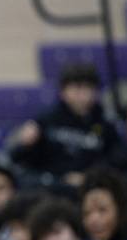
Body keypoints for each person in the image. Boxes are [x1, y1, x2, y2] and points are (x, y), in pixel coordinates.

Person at [6, 63, 120, 193]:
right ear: (63, 92)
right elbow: (19, 159)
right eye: (77, 89)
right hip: (50, 187)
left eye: (88, 89)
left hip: (90, 187)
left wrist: (89, 177)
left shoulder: (106, 123)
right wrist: (25, 144)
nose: (83, 96)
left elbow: (114, 160)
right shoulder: (46, 119)